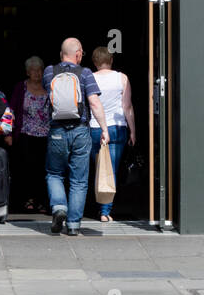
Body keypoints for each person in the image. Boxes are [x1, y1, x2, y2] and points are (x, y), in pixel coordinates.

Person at [43, 38, 106, 237]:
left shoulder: (49, 72)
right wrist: (104, 129)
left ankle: (59, 207)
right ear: (78, 54)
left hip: (57, 131)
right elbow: (94, 103)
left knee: (54, 173)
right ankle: (73, 225)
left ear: (61, 54)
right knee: (78, 180)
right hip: (80, 130)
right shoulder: (85, 73)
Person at [89, 47, 136, 222]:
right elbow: (127, 107)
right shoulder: (121, 78)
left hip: (95, 128)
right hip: (117, 128)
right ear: (111, 60)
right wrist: (133, 130)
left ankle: (96, 206)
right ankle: (105, 211)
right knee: (111, 170)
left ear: (94, 62)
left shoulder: (89, 78)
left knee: (99, 169)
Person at [9, 56, 51, 213]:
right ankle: (28, 200)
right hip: (25, 134)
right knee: (26, 170)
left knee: (43, 170)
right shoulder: (21, 87)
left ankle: (42, 201)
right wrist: (8, 132)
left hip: (46, 136)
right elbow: (11, 110)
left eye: (40, 70)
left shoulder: (48, 86)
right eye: (34, 70)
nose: (37, 73)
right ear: (27, 72)